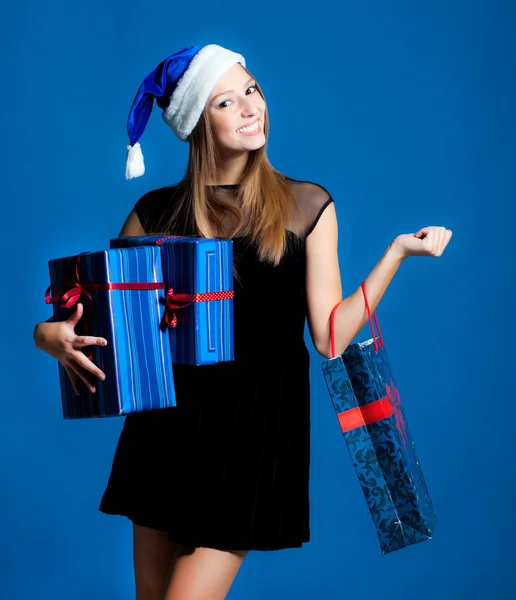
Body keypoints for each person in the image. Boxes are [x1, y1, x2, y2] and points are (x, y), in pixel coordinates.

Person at [33, 44, 453, 600]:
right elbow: (92, 323)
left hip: (253, 435)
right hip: (165, 435)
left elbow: (330, 338)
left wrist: (395, 254)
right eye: (227, 101)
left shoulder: (305, 206)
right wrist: (50, 336)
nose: (251, 107)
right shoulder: (154, 212)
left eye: (252, 90)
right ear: (197, 123)